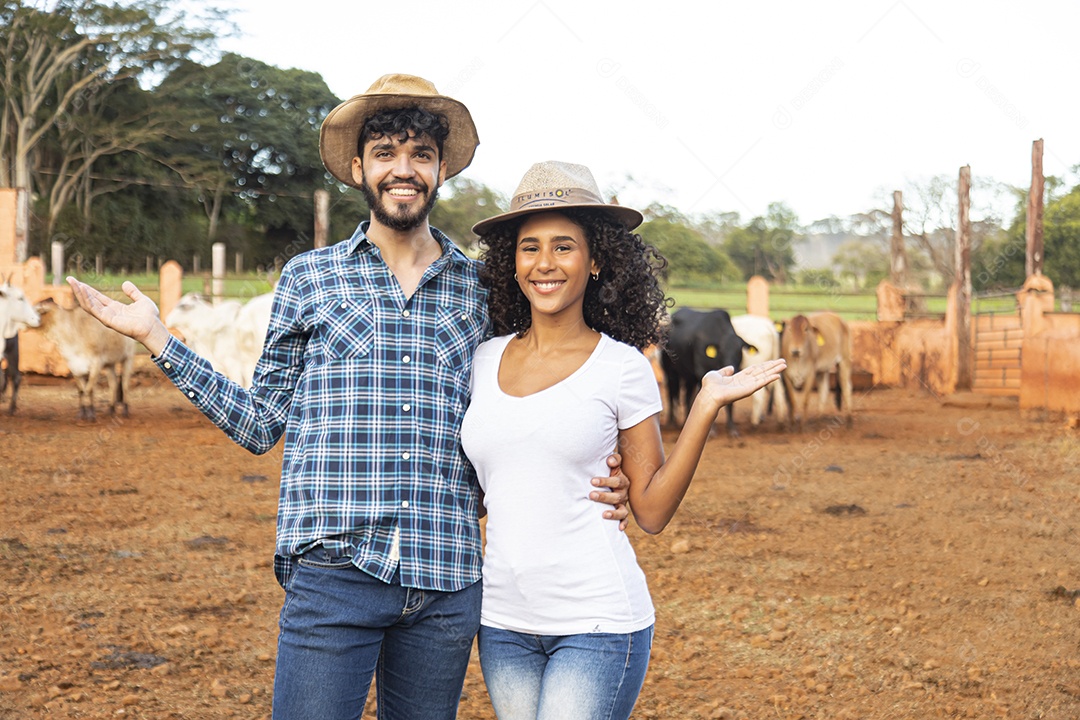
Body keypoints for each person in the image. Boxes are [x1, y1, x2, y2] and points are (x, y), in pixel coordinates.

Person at [65, 76, 630, 720]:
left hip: (445, 580)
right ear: (359, 168)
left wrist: (608, 465)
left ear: (440, 168)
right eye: (386, 153)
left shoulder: (483, 289)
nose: (404, 169)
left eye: (420, 154)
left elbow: (549, 376)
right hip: (334, 574)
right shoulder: (310, 279)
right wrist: (159, 338)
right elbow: (258, 425)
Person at [461, 161, 786, 720]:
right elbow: (485, 489)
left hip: (597, 622)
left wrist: (703, 407)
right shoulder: (481, 359)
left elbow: (652, 510)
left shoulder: (622, 367)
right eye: (529, 246)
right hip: (503, 622)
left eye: (564, 246)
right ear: (511, 262)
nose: (545, 263)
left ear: (598, 259)